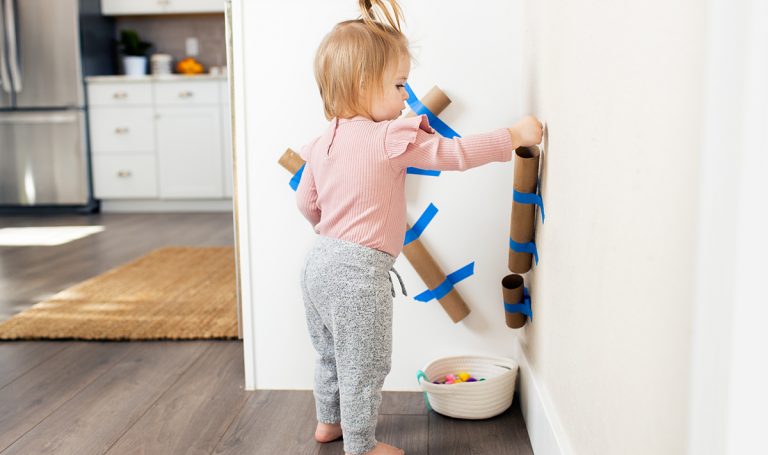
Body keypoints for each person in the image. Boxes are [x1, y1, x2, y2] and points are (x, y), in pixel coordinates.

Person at [296, 1, 543, 453]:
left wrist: (333, 230)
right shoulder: (389, 137)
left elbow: (306, 203)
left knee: (331, 353)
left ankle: (328, 423)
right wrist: (513, 136)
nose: (405, 96)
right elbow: (456, 154)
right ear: (360, 84)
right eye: (398, 85)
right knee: (364, 363)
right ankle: (361, 445)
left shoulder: (321, 141)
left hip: (317, 264)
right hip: (356, 271)